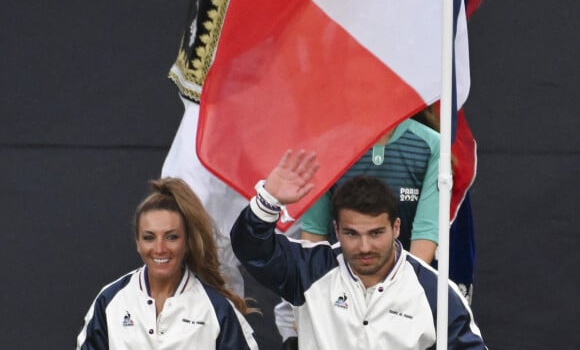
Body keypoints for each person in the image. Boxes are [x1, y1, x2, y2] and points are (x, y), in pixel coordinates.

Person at [140, 0, 296, 295]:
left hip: (274, 105)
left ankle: (294, 334)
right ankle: (218, 324)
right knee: (183, 205)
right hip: (208, 97)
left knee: (288, 223)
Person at [231, 151, 486, 349]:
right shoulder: (310, 269)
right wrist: (268, 200)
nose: (365, 247)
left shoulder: (435, 291)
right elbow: (251, 249)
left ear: (396, 227)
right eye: (352, 234)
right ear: (336, 229)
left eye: (376, 233)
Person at [275, 117, 440, 348]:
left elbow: (426, 233)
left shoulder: (431, 144)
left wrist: (399, 298)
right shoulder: (327, 142)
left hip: (406, 291)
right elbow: (314, 233)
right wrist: (311, 302)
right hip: (341, 286)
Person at [76, 178, 258, 349]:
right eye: (149, 238)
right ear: (137, 243)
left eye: (171, 237)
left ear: (187, 242)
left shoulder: (216, 308)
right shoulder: (110, 301)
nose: (160, 248)